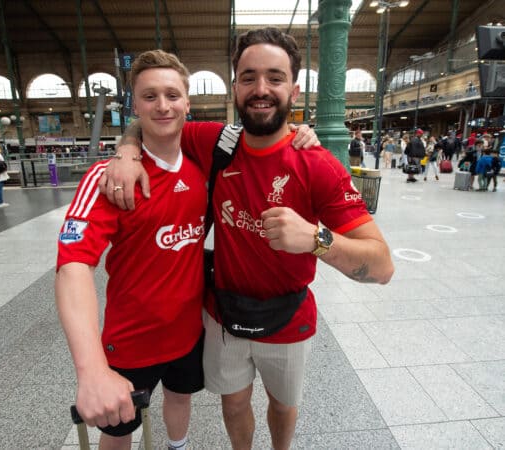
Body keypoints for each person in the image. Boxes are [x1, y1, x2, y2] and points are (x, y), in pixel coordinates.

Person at [101, 27, 394, 450]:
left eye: (275, 78)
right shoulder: (215, 141)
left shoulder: (318, 165)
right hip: (225, 317)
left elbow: (382, 266)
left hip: (288, 320)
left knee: (282, 404)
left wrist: (316, 238)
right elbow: (150, 119)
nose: (261, 89)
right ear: (235, 86)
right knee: (234, 405)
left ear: (294, 90)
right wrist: (126, 152)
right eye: (249, 77)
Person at [55, 50, 209, 450]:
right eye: (150, 96)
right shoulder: (109, 180)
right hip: (130, 341)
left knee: (180, 396)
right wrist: (90, 371)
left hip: (189, 332)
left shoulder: (201, 168)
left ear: (187, 103)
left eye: (172, 95)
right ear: (134, 104)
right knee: (118, 429)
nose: (163, 105)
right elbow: (73, 265)